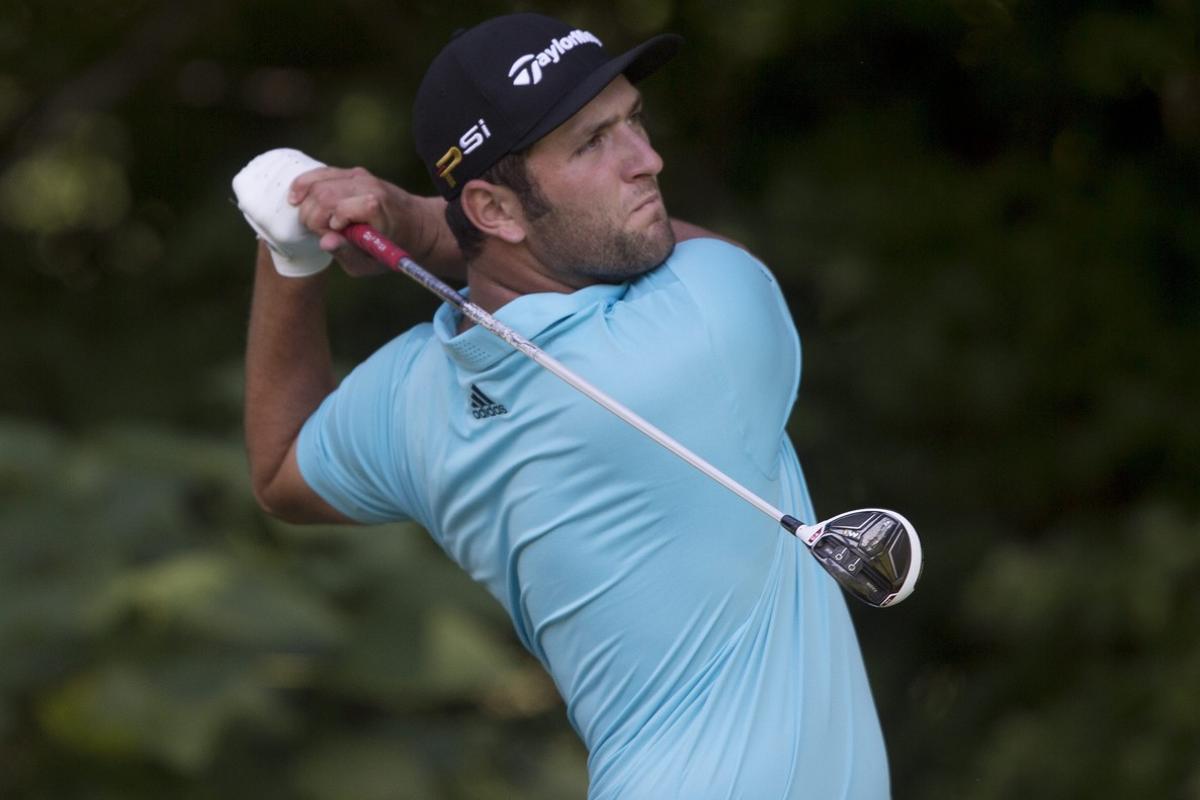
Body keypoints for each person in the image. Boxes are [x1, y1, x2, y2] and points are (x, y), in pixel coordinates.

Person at [242, 12, 889, 799]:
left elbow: (279, 467)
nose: (646, 160)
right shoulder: (703, 329)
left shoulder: (413, 399)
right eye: (591, 144)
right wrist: (414, 220)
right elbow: (676, 252)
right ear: (494, 211)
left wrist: (289, 253)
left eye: (632, 122)